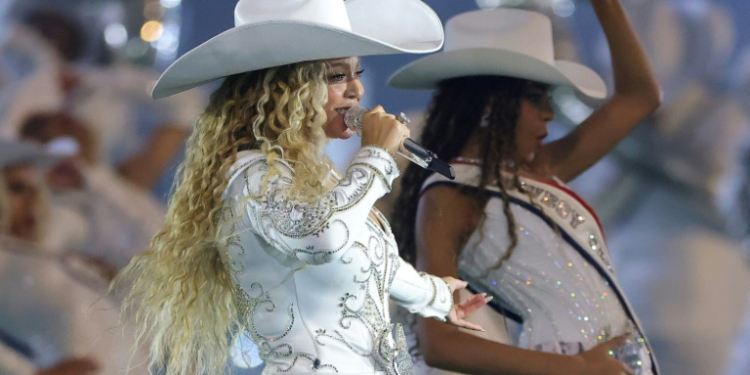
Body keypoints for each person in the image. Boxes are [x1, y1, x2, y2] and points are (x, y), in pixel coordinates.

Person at [112, 1, 490, 375]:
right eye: (336, 76)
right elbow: (320, 237)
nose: (357, 90)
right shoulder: (249, 175)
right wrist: (375, 156)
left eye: (356, 73)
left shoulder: (322, 182)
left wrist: (439, 298)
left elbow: (370, 264)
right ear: (284, 87)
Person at [390, 3, 661, 375]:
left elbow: (640, 97)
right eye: (536, 97)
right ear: (489, 103)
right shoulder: (450, 194)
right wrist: (578, 367)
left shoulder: (540, 170)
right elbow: (439, 342)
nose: (550, 112)